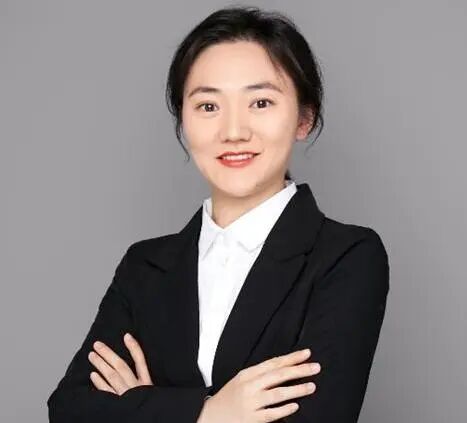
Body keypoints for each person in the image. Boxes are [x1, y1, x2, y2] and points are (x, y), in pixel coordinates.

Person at [47, 6, 389, 423]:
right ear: (183, 120)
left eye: (260, 102)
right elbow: (70, 409)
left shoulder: (346, 256)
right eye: (208, 106)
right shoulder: (145, 265)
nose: (233, 131)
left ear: (304, 118)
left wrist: (145, 404)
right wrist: (210, 411)